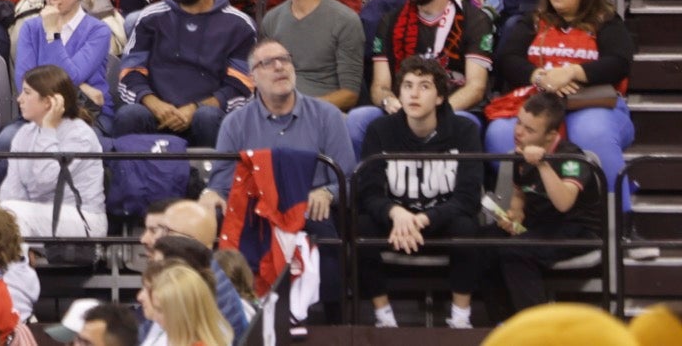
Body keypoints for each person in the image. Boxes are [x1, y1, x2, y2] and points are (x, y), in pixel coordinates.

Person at [200, 39, 356, 294]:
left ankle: (333, 313)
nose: (279, 67)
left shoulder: (327, 115)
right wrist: (211, 194)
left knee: (325, 226)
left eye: (284, 60)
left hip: (309, 212)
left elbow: (348, 180)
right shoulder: (235, 123)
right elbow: (221, 185)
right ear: (252, 77)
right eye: (268, 63)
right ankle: (239, 308)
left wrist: (328, 193)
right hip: (256, 215)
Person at [484, 0, 635, 213]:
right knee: (499, 134)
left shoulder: (606, 21)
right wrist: (541, 77)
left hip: (592, 104)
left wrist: (571, 72)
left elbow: (619, 62)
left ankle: (619, 219)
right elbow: (508, 58)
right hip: (540, 103)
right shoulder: (533, 20)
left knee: (593, 133)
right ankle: (523, 212)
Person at [354, 56, 483, 329]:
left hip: (440, 222)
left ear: (440, 97)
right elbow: (369, 193)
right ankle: (384, 317)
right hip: (396, 225)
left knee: (467, 227)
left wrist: (424, 218)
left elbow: (468, 198)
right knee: (362, 225)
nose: (414, 94)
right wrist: (396, 213)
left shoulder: (464, 131)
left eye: (424, 86)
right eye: (408, 86)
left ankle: (461, 319)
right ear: (399, 93)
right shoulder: (380, 130)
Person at [350, 0, 495, 154]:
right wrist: (389, 101)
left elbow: (476, 87)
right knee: (358, 118)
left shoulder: (475, 20)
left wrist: (433, 112)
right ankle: (363, 176)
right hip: (402, 109)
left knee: (465, 123)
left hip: (452, 108)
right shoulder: (390, 20)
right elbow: (380, 86)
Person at [116, 0, 256, 145]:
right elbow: (130, 73)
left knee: (207, 117)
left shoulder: (239, 25)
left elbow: (241, 85)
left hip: (207, 116)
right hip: (157, 113)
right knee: (129, 115)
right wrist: (155, 104)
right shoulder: (150, 17)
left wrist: (196, 108)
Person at [481, 92, 604, 318]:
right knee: (482, 242)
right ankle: (501, 322)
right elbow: (519, 192)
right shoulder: (520, 153)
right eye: (519, 123)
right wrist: (516, 212)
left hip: (577, 230)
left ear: (550, 136)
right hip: (539, 225)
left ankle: (538, 328)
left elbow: (564, 203)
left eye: (529, 130)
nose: (518, 132)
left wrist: (543, 164)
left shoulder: (571, 158)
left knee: (516, 250)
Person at [1, 65, 106, 241]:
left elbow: (46, 180)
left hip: (82, 218)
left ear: (48, 102)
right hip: (35, 217)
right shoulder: (24, 134)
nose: (19, 99)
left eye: (27, 93)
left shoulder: (80, 135)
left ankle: (21, 257)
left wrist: (48, 130)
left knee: (12, 214)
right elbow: (12, 190)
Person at [260, 0, 363, 109]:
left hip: (323, 114)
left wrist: (300, 108)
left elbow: (349, 94)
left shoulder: (346, 21)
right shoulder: (272, 19)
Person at [12, 0, 114, 124]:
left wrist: (52, 33)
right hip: (39, 113)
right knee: (6, 137)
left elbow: (73, 77)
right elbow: (24, 83)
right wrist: (83, 88)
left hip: (86, 114)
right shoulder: (30, 28)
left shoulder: (98, 31)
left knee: (74, 138)